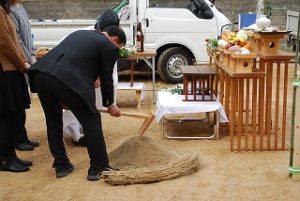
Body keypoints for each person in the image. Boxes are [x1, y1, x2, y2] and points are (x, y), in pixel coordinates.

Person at [28, 25, 126, 181]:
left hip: (41, 74)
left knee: (53, 121)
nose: (116, 49)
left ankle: (61, 165)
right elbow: (107, 79)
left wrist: (64, 97)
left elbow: (72, 59)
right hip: (66, 79)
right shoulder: (108, 46)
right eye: (118, 47)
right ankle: (98, 167)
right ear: (115, 40)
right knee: (91, 119)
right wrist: (110, 104)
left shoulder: (81, 33)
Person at [63, 9, 120, 147]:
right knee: (75, 99)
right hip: (75, 72)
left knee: (106, 91)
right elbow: (71, 61)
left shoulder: (115, 36)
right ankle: (75, 134)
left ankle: (87, 126)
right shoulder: (82, 35)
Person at [0, 0, 32, 172]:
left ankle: (11, 155)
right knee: (6, 117)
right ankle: (4, 159)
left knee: (13, 116)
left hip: (13, 69)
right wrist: (22, 63)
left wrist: (24, 61)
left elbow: (16, 42)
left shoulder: (5, 11)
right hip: (5, 70)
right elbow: (6, 44)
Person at [10, 0, 39, 151]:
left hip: (26, 61)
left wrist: (33, 55)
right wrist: (27, 61)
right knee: (17, 104)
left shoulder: (20, 7)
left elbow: (29, 35)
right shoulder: (8, 10)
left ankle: (22, 136)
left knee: (22, 103)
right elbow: (17, 40)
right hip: (17, 65)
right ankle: (18, 138)